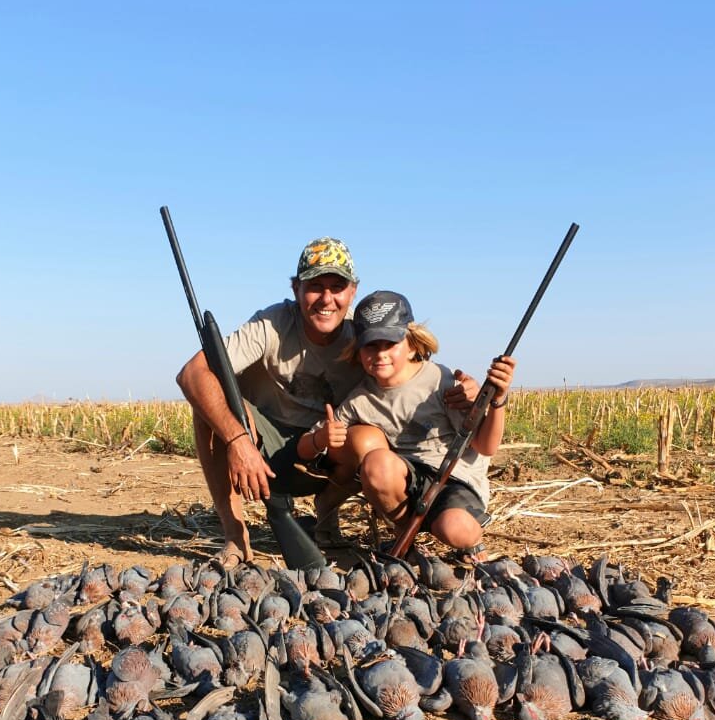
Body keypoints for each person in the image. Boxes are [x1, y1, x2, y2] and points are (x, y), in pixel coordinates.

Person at [176, 237, 362, 566]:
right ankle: (235, 537)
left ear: (353, 292)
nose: (327, 299)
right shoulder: (273, 322)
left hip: (326, 454)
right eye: (315, 286)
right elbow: (192, 374)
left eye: (337, 287)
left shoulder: (365, 338)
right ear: (296, 289)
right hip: (268, 450)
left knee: (368, 436)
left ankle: (326, 518)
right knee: (207, 406)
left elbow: (410, 380)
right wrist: (238, 440)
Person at [297, 289, 515, 553]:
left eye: (390, 343)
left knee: (459, 532)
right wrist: (322, 437)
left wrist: (498, 400)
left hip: (454, 479)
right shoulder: (360, 399)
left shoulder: (443, 382)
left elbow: (486, 446)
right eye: (371, 345)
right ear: (358, 351)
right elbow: (305, 446)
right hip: (405, 480)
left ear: (412, 345)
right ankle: (404, 535)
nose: (381, 354)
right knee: (376, 464)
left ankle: (451, 533)